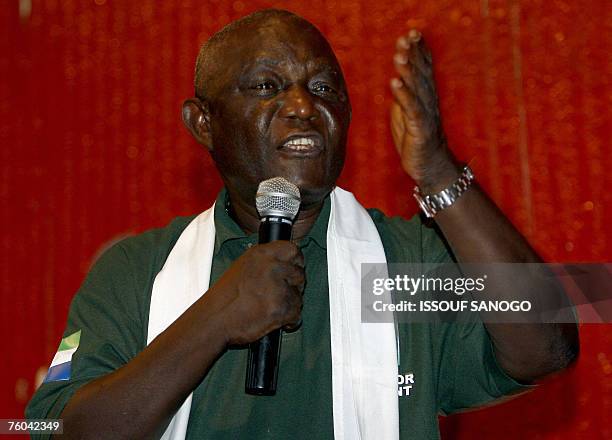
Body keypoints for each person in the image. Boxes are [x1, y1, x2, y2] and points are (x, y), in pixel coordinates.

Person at [27, 8, 578, 440]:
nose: (303, 107)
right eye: (267, 86)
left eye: (323, 88)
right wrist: (215, 319)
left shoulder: (405, 258)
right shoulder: (133, 270)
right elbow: (48, 427)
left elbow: (551, 345)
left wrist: (436, 169)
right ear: (203, 123)